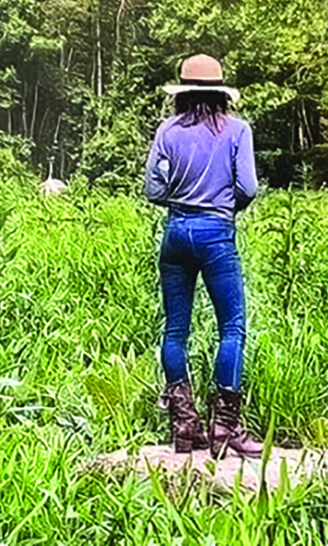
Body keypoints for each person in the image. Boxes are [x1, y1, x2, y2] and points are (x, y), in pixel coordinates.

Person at [143, 54, 263, 458]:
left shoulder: (167, 131)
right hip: (216, 233)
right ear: (220, 93)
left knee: (175, 330)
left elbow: (153, 190)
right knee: (232, 327)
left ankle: (184, 426)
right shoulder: (237, 131)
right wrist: (223, 206)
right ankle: (225, 428)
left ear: (183, 93)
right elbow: (247, 187)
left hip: (176, 232)